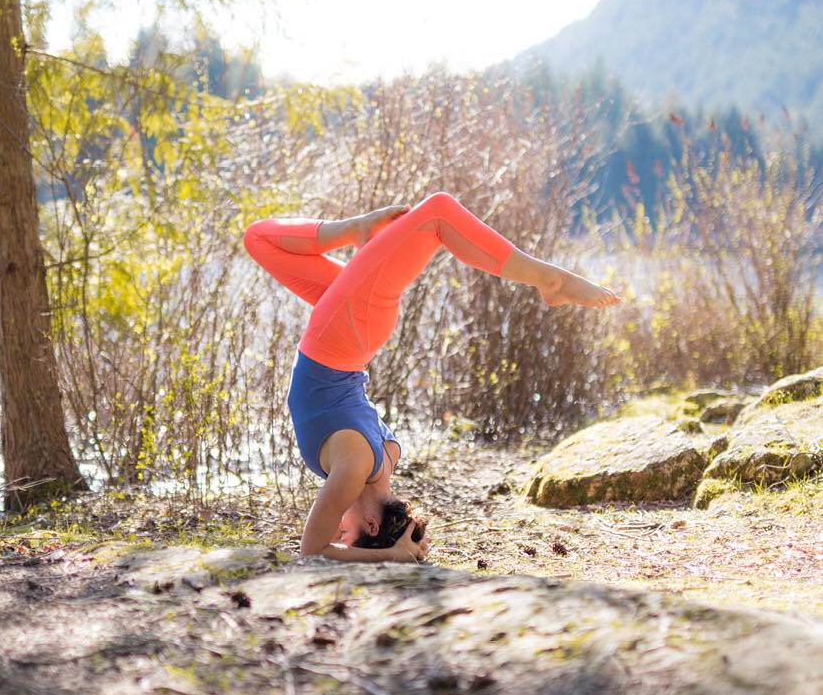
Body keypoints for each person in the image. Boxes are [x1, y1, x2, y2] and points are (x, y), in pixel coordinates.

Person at [243, 192, 621, 564]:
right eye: (345, 532)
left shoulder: (388, 455)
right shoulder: (354, 470)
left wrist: (395, 548)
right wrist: (392, 555)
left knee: (258, 239)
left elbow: (320, 545)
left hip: (349, 333)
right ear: (370, 526)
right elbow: (313, 550)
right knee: (438, 214)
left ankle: (356, 228)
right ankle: (549, 280)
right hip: (344, 333)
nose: (338, 528)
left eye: (339, 533)